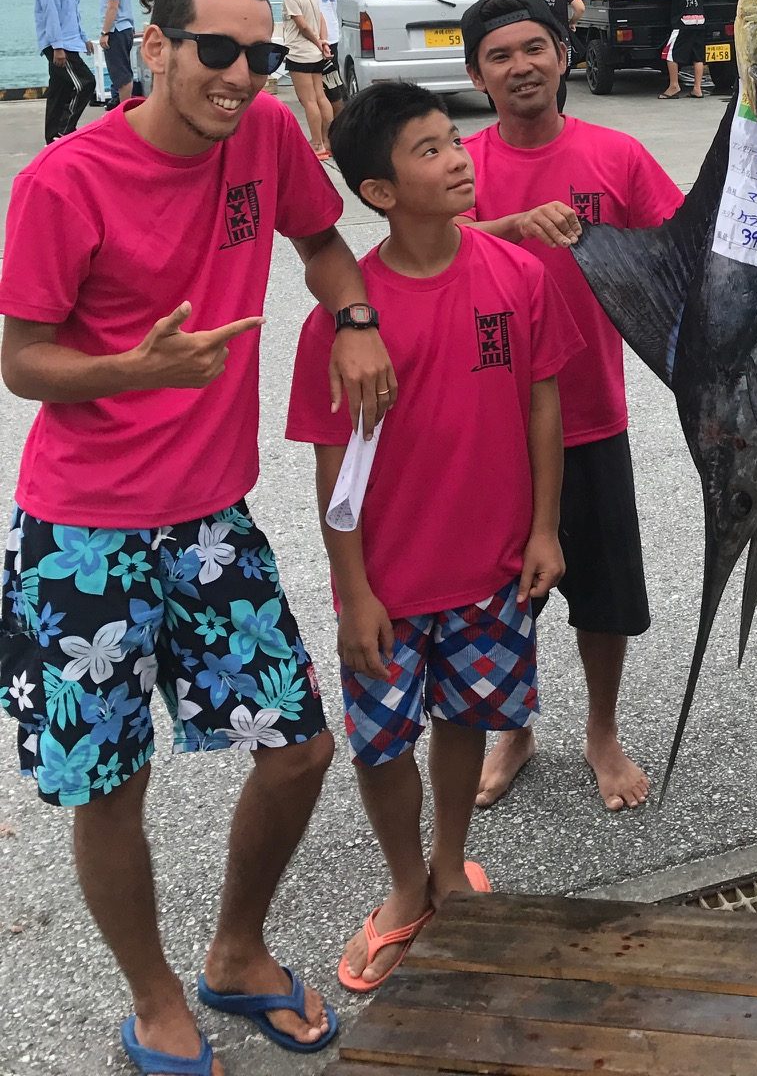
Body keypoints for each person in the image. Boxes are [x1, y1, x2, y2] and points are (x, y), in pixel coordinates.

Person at [0, 0, 397, 1076]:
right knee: (109, 784)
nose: (239, 78)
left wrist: (356, 320)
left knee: (299, 750)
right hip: (82, 535)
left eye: (260, 57)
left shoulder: (266, 136)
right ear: (154, 49)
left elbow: (325, 246)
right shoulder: (64, 181)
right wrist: (134, 371)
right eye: (214, 54)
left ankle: (235, 951)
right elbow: (23, 361)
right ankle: (155, 993)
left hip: (211, 521)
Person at [287, 84, 579, 992]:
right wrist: (355, 590)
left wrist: (542, 528)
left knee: (468, 720)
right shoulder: (343, 325)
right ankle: (405, 886)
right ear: (378, 191)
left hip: (493, 568)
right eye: (428, 150)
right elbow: (331, 467)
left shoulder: (516, 275)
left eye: (456, 140)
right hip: (387, 584)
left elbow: (543, 402)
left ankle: (452, 863)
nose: (459, 158)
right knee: (382, 743)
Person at [459, 0, 683, 811]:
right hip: (489, 421)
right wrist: (513, 225)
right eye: (500, 57)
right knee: (498, 593)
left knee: (602, 593)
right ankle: (511, 726)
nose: (521, 67)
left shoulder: (616, 157)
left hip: (592, 413)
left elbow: (680, 244)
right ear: (478, 76)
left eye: (535, 50)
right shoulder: (465, 164)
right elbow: (424, 248)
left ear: (564, 56)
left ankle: (601, 730)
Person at [34, 0, 94, 142]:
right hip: (60, 46)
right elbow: (51, 16)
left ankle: (52, 137)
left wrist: (83, 38)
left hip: (69, 42)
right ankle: (64, 131)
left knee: (59, 91)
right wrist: (58, 47)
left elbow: (71, 16)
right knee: (85, 84)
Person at [277, 0, 333, 159]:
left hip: (299, 53)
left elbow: (301, 25)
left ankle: (317, 143)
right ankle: (327, 140)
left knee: (308, 100)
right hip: (314, 54)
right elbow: (320, 18)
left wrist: (317, 41)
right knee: (320, 96)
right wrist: (323, 42)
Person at [289, 0, 345, 119]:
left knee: (313, 94)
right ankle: (337, 131)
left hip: (312, 34)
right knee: (331, 86)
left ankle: (323, 138)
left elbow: (300, 0)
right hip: (331, 31)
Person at [530, 0, 586, 116]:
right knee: (560, 77)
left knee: (540, 76)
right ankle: (558, 114)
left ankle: (542, 111)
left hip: (539, 38)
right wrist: (572, 22)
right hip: (561, 36)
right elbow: (580, 8)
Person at [97, 0, 140, 107]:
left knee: (120, 73)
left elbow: (112, 7)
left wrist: (105, 32)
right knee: (123, 69)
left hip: (117, 29)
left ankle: (124, 109)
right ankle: (125, 106)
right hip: (125, 27)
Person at [660, 0, 706, 100]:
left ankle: (674, 86)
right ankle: (697, 89)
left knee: (670, 54)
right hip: (699, 20)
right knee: (698, 56)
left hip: (683, 22)